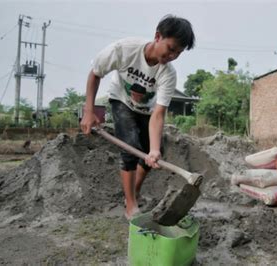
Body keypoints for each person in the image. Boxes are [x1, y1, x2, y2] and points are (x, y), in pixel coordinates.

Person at [80, 15, 195, 219]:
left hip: (147, 110)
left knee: (151, 154)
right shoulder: (124, 50)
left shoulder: (168, 74)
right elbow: (95, 73)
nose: (172, 56)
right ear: (158, 36)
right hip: (121, 101)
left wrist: (154, 150)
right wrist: (89, 112)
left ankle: (133, 192)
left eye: (178, 53)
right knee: (130, 147)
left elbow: (159, 113)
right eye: (171, 48)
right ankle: (131, 206)